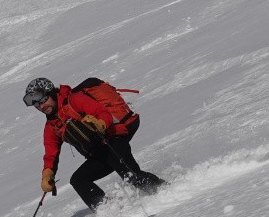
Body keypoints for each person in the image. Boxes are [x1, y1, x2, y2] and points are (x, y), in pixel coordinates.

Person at [23, 77, 165, 209]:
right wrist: (48, 173)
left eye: (43, 100)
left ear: (52, 93)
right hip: (98, 154)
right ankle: (107, 210)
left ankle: (165, 191)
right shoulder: (51, 126)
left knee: (132, 177)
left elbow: (103, 113)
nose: (41, 106)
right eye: (36, 105)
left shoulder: (74, 100)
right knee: (79, 180)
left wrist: (100, 123)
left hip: (112, 140)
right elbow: (51, 153)